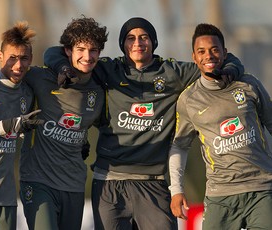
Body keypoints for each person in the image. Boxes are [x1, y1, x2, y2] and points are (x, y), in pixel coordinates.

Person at [44, 17, 244, 229]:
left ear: (154, 41)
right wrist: (62, 68)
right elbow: (53, 52)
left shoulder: (172, 72)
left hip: (154, 182)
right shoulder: (109, 69)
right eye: (131, 38)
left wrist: (230, 71)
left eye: (144, 37)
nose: (138, 43)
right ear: (123, 44)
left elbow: (224, 58)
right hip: (109, 182)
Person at [169, 23, 272, 230]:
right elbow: (179, 145)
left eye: (215, 49)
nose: (209, 55)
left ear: (225, 53)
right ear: (194, 57)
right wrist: (176, 190)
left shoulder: (249, 84)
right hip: (220, 194)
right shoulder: (189, 100)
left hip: (261, 188)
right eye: (202, 51)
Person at [18, 17, 108, 230]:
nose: (87, 56)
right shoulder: (41, 77)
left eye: (93, 50)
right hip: (38, 180)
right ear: (68, 51)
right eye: (81, 49)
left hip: (74, 185)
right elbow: (10, 76)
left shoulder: (100, 89)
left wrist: (84, 140)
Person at [0, 21, 43, 230]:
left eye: (24, 58)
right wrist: (6, 125)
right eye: (12, 58)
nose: (18, 65)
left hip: (6, 197)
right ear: (0, 56)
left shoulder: (27, 93)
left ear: (30, 59)